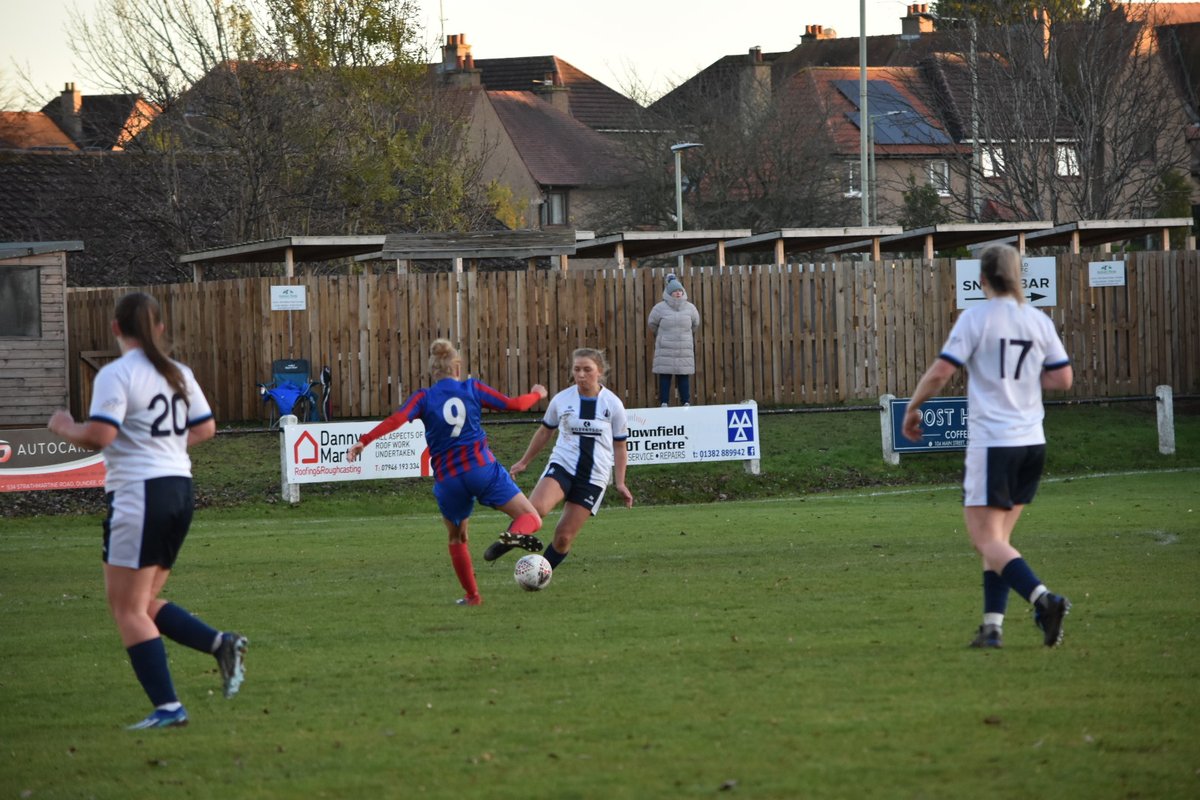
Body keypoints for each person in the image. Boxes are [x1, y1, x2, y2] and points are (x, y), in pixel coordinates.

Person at [47, 291, 247, 730]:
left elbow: (100, 435)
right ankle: (219, 643)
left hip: (140, 494)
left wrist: (64, 427)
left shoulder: (117, 374)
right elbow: (207, 428)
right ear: (158, 327)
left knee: (127, 609)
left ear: (116, 329)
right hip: (179, 489)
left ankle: (169, 708)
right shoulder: (178, 372)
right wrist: (163, 448)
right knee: (143, 601)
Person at [903, 244, 1074, 649]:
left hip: (994, 443)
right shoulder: (1037, 320)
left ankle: (1044, 600)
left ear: (982, 279)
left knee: (985, 540)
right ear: (1019, 277)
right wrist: (1025, 383)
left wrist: (913, 407)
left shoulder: (976, 317)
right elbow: (1063, 379)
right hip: (1032, 442)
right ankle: (992, 628)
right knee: (998, 543)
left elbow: (943, 370)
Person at [347, 339, 547, 606]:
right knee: (530, 516)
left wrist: (364, 440)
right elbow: (517, 405)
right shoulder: (472, 387)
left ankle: (473, 596)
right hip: (481, 469)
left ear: (433, 372)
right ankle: (515, 534)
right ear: (457, 366)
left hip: (449, 479)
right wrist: (536, 394)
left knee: (457, 536)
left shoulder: (423, 397)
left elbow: (397, 419)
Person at [485, 348, 634, 570]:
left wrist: (620, 482)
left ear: (599, 372)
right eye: (577, 369)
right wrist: (524, 461)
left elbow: (620, 446)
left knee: (563, 538)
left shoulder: (613, 404)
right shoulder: (562, 399)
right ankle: (509, 539)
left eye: (587, 370)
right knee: (534, 510)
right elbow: (545, 432)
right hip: (562, 466)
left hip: (593, 477)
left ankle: (539, 573)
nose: (581, 375)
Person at [647, 273, 701, 407]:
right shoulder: (659, 308)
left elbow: (695, 324)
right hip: (665, 348)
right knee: (665, 376)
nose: (677, 293)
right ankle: (664, 402)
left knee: (683, 376)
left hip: (684, 348)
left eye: (679, 290)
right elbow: (652, 324)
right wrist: (663, 336)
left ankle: (686, 402)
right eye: (674, 291)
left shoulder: (690, 308)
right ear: (668, 293)